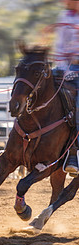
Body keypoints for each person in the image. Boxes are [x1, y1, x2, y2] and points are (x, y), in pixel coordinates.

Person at [56, 0, 79, 175]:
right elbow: (59, 45)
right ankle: (17, 145)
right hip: (65, 67)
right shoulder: (64, 17)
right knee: (34, 87)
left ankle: (73, 154)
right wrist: (64, 68)